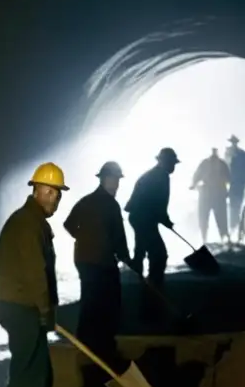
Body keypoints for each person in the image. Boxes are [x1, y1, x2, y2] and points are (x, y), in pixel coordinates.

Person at [0, 162, 67, 387]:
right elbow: (36, 271)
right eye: (51, 192)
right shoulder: (27, 224)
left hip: (24, 304)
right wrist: (46, 310)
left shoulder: (34, 222)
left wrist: (48, 309)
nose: (55, 199)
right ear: (38, 190)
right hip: (20, 306)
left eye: (58, 194)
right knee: (27, 373)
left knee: (42, 373)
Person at [63, 161, 135, 370]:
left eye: (118, 180)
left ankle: (86, 344)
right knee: (109, 302)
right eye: (114, 179)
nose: (116, 184)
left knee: (90, 299)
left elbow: (68, 224)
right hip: (101, 261)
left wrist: (83, 238)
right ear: (104, 179)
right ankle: (105, 347)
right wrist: (126, 257)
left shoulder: (86, 201)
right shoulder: (110, 205)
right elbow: (119, 238)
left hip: (84, 259)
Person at [124, 147, 179, 320]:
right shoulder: (160, 177)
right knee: (159, 255)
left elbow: (154, 204)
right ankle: (153, 290)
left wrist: (164, 219)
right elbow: (157, 203)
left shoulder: (153, 175)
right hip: (143, 218)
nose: (173, 167)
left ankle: (138, 283)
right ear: (164, 162)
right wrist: (165, 219)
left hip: (139, 217)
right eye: (172, 163)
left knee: (141, 249)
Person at [190, 147, 231, 245]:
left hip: (213, 194)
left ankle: (223, 238)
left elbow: (228, 178)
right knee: (206, 219)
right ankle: (206, 239)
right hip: (211, 194)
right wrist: (193, 184)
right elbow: (196, 176)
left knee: (219, 219)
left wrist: (194, 184)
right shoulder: (213, 163)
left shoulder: (219, 164)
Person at [225, 135, 245, 238]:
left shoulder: (237, 156)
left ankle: (239, 232)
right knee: (237, 209)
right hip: (238, 186)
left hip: (239, 186)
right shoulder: (243, 156)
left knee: (238, 210)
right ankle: (238, 232)